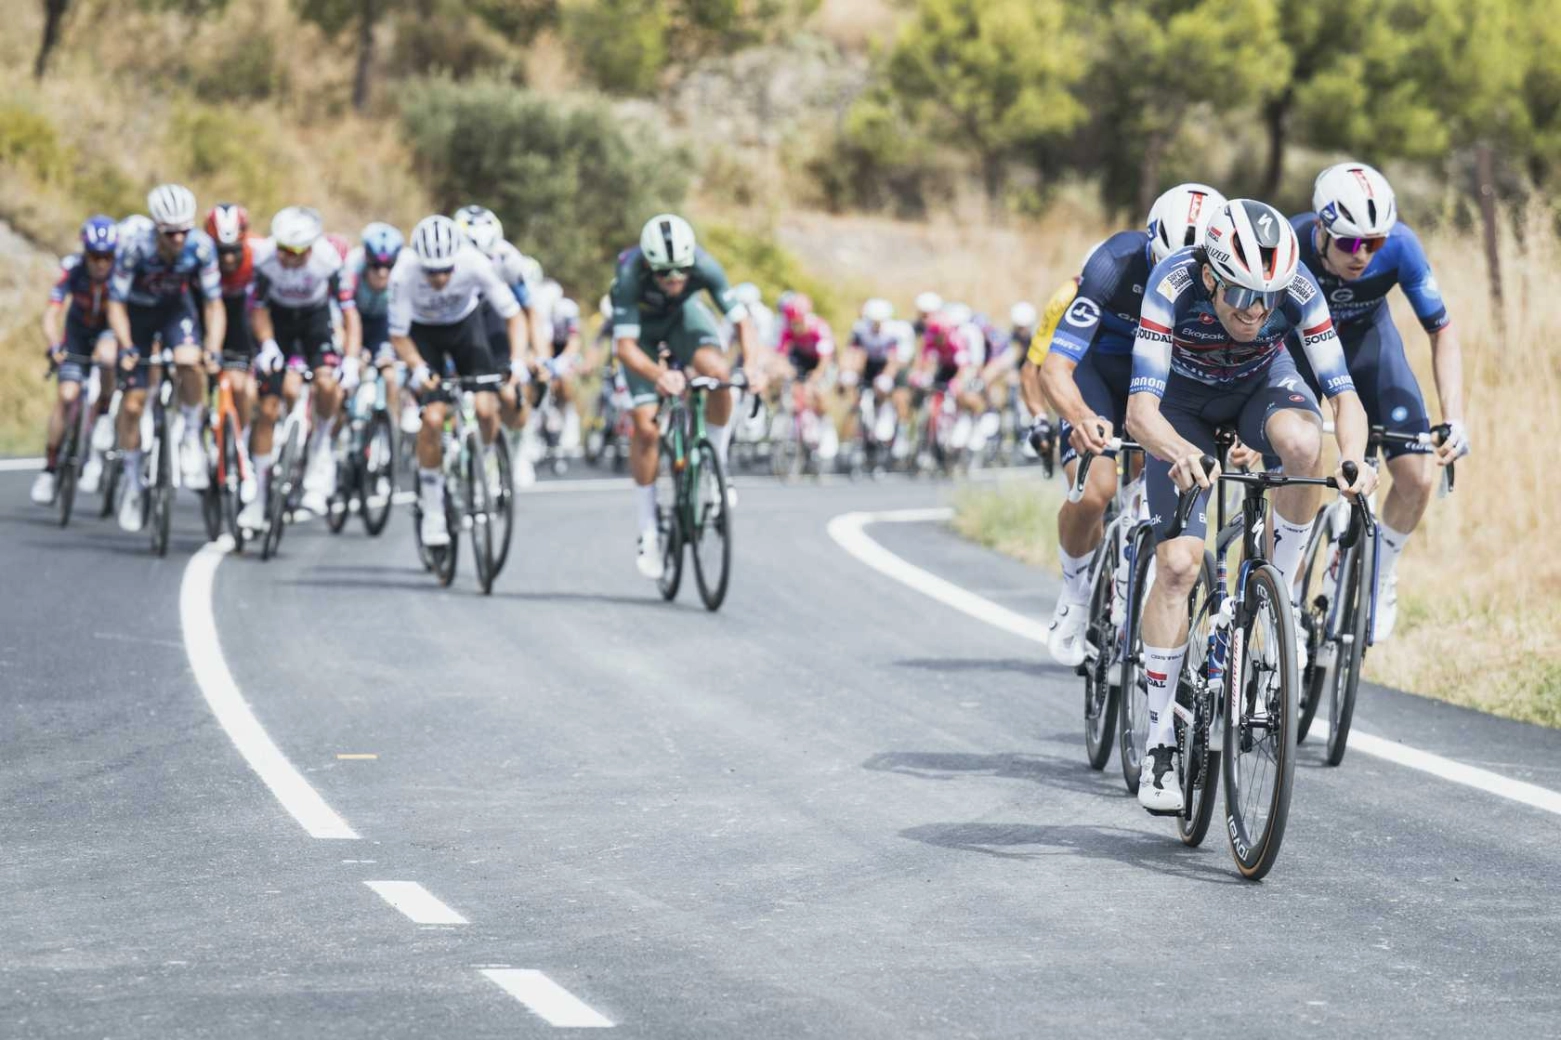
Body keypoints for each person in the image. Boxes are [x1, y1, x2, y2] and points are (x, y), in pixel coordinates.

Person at [1125, 199, 1376, 813]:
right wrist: (1176, 452)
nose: (1256, 310)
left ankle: (1280, 593)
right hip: (1177, 405)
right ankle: (1159, 739)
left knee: (1302, 443)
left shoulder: (1295, 287)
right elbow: (1139, 412)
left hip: (1259, 388)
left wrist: (1353, 459)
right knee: (1181, 566)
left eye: (1267, 298)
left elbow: (1343, 395)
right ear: (1210, 274)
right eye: (1240, 294)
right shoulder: (1172, 281)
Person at [1036, 183, 1226, 665]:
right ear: (1150, 244)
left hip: (1166, 384)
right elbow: (1054, 367)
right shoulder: (1113, 263)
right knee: (1097, 489)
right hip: (1103, 376)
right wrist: (1080, 418)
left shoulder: (1222, 278)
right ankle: (1076, 597)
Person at [1290, 162, 1467, 640]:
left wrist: (1453, 417)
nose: (1363, 255)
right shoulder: (1289, 246)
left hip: (1369, 347)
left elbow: (1441, 330)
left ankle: (1379, 575)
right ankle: (1280, 603)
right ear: (1322, 230)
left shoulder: (1402, 247)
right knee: (1294, 462)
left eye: (1375, 242)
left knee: (1417, 473)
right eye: (1350, 242)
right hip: (1298, 352)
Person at [608, 213, 762, 579]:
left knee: (719, 377)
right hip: (641, 335)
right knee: (646, 428)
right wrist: (661, 375)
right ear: (648, 264)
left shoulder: (706, 266)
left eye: (681, 271)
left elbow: (742, 322)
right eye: (664, 273)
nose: (675, 279)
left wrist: (753, 366)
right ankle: (648, 529)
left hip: (683, 320)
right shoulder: (628, 277)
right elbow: (626, 348)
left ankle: (715, 465)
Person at [389, 214, 528, 548]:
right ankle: (434, 509)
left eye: (445, 270)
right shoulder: (403, 274)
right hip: (423, 336)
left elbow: (514, 316)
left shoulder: (474, 263)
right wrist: (418, 368)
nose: (438, 277)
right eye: (431, 271)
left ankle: (486, 467)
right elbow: (398, 335)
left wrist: (519, 361)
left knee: (484, 408)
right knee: (433, 418)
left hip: (466, 329)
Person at [106, 184, 225, 531]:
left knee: (190, 361)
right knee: (132, 405)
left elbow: (213, 303)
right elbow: (115, 303)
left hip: (176, 311)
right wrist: (127, 345)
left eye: (184, 231)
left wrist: (213, 347)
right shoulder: (134, 247)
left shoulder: (201, 247)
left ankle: (190, 434)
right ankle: (131, 480)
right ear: (156, 228)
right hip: (138, 316)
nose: (178, 240)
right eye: (170, 233)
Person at [244, 206, 361, 522]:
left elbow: (350, 314)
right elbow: (257, 308)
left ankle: (320, 447)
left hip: (314, 321)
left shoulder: (328, 260)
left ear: (309, 248)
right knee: (269, 407)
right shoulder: (265, 258)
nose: (286, 257)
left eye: (295, 252)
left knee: (326, 383)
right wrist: (267, 344)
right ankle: (258, 494)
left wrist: (350, 360)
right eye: (282, 248)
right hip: (278, 322)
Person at [33, 216, 120, 505]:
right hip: (77, 334)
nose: (101, 263)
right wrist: (54, 344)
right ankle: (49, 467)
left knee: (108, 358)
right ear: (85, 253)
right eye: (95, 256)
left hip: (109, 330)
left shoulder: (123, 272)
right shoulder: (72, 269)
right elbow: (51, 313)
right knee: (67, 395)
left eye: (107, 256)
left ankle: (105, 412)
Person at [203, 203, 259, 501]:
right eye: (219, 250)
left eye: (233, 250)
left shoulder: (258, 256)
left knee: (242, 386)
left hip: (241, 321)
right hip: (205, 318)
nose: (227, 258)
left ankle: (242, 439)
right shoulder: (198, 255)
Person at [344, 222, 407, 423]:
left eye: (388, 266)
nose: (382, 273)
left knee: (390, 378)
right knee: (351, 373)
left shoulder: (405, 274)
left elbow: (406, 320)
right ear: (367, 260)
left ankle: (391, 435)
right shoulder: (352, 265)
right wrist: (351, 353)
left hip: (384, 327)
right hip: (354, 322)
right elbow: (342, 313)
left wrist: (396, 355)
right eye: (376, 266)